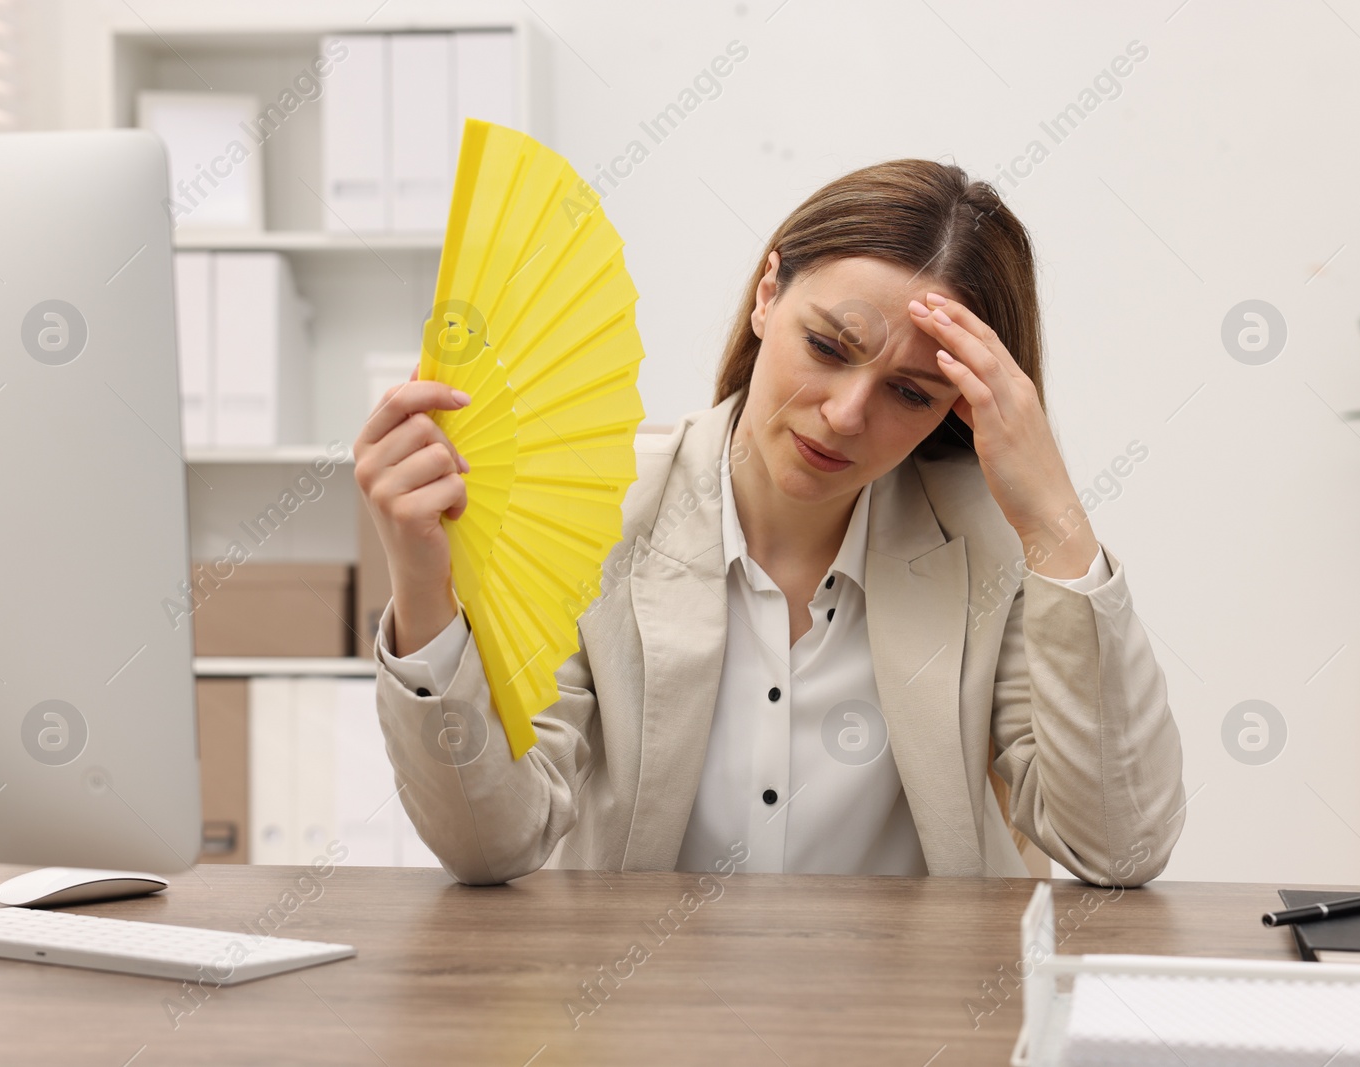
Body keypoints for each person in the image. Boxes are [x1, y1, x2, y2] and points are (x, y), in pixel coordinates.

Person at [353, 158, 1186, 887]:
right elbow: (492, 842)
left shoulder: (983, 542)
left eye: (910, 393)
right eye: (828, 346)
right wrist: (423, 584)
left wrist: (1053, 520)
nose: (848, 414)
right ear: (766, 297)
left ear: (954, 410)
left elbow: (1119, 847)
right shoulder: (600, 511)